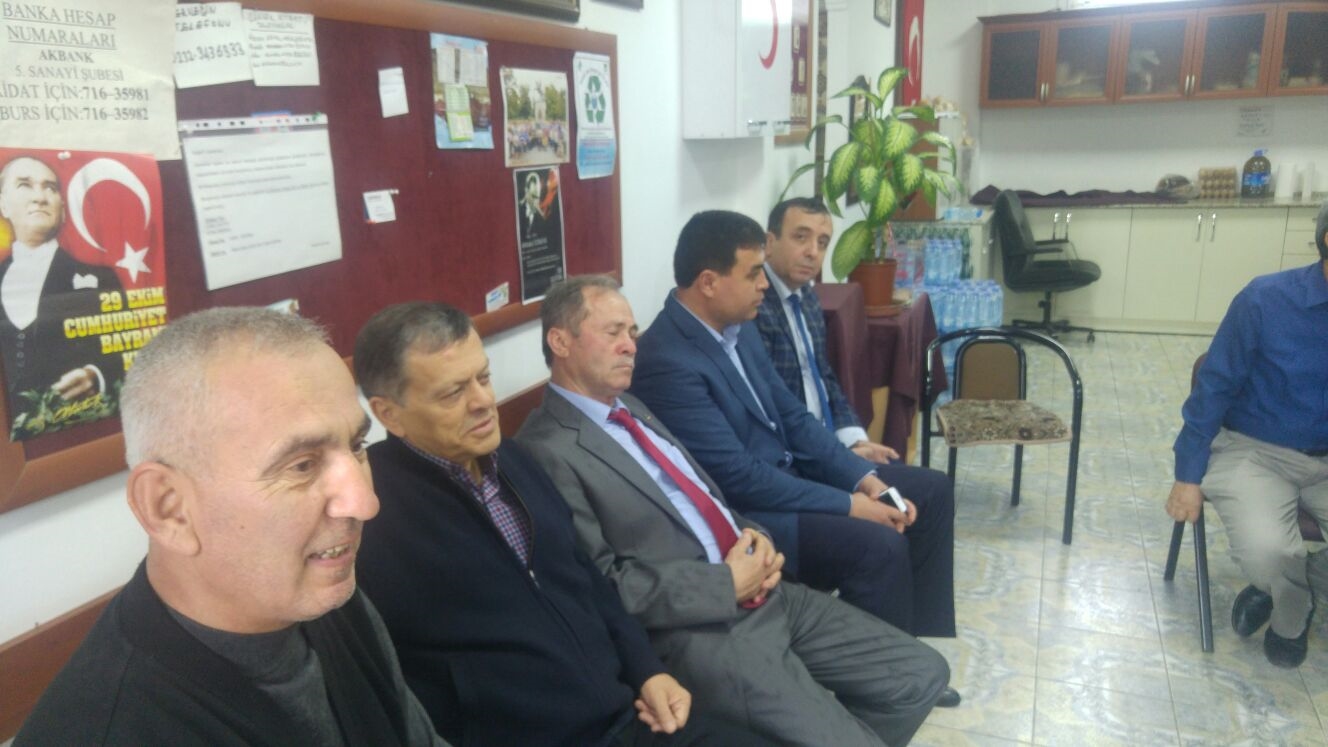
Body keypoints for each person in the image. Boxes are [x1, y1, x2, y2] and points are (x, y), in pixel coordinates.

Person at [516, 275, 950, 746]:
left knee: (922, 674)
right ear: (560, 341)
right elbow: (599, 587)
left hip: (768, 590)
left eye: (632, 332)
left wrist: (755, 535)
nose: (630, 346)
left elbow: (703, 497)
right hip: (705, 628)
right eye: (613, 332)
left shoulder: (631, 407)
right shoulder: (546, 449)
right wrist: (725, 583)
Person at [17, 307, 445, 746]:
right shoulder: (109, 730)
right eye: (302, 465)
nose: (365, 503)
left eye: (357, 445)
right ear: (168, 509)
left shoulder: (319, 597)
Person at [353, 302, 770, 747]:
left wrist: (647, 670)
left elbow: (586, 578)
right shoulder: (371, 518)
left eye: (484, 378)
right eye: (453, 393)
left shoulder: (515, 460)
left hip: (627, 711)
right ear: (388, 414)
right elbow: (380, 682)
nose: (483, 402)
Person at [630, 210, 957, 654]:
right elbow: (737, 477)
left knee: (931, 492)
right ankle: (883, 674)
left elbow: (794, 416)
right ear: (708, 282)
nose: (763, 285)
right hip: (752, 514)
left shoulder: (738, 327)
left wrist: (863, 479)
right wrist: (849, 505)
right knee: (878, 544)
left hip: (789, 476)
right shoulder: (667, 361)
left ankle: (916, 652)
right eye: (752, 274)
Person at [1166, 201, 1328, 669]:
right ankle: (1290, 612)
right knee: (1268, 553)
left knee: (1282, 566)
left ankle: (1284, 587)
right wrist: (1187, 475)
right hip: (1255, 451)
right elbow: (1213, 387)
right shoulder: (1265, 300)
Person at [755, 197, 899, 461]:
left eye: (822, 243)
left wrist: (854, 439)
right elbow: (772, 404)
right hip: (796, 455)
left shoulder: (807, 296)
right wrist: (838, 457)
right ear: (770, 243)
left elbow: (824, 376)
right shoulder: (754, 304)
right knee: (927, 484)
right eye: (801, 237)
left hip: (828, 442)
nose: (813, 252)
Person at [0, 155, 123, 429]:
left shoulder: (102, 280)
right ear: (3, 204)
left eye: (50, 188)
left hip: (80, 429)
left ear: (63, 209)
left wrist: (96, 374)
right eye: (25, 185)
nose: (40, 197)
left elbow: (132, 348)